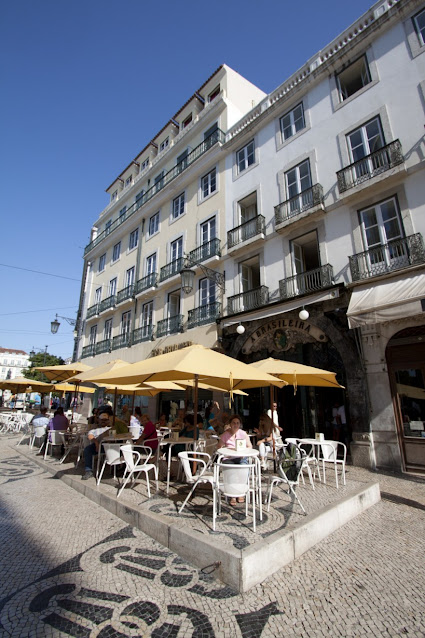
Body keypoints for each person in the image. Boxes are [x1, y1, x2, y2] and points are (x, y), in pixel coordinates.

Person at [219, 414, 252, 505]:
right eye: (234, 423)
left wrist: (244, 452)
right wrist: (227, 450)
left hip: (241, 457)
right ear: (230, 424)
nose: (236, 425)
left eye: (237, 423)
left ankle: (240, 492)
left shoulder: (243, 434)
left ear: (240, 424)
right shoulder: (225, 434)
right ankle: (232, 495)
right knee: (231, 470)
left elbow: (249, 446)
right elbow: (219, 447)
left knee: (243, 468)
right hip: (229, 457)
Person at [82, 410, 112, 480]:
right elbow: (90, 436)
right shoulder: (95, 428)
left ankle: (117, 470)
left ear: (108, 420)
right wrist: (96, 442)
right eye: (102, 420)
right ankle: (88, 470)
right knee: (87, 450)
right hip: (99, 446)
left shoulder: (111, 429)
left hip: (110, 446)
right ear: (99, 420)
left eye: (105, 420)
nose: (103, 421)